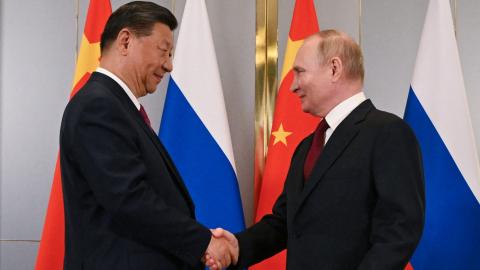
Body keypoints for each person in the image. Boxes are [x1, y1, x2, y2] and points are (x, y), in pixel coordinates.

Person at [208, 30, 425, 270]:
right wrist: (238, 246)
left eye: (299, 72)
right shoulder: (306, 147)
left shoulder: (387, 132)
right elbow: (285, 221)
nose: (293, 86)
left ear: (334, 69)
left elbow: (400, 228)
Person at [60, 2, 236, 269]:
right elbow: (129, 200)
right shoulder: (98, 106)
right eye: (163, 51)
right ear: (126, 41)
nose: (169, 66)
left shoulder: (118, 106)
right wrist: (203, 242)